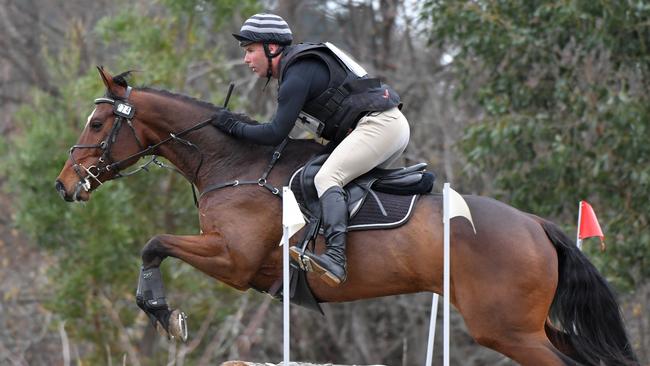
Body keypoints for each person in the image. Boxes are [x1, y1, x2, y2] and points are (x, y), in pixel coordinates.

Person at [214, 13, 410, 286]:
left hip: (381, 126)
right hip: (385, 126)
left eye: (250, 50)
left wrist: (231, 127)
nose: (246, 59)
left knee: (327, 178)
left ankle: (336, 259)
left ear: (272, 48)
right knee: (318, 172)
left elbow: (274, 133)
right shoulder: (299, 66)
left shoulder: (297, 72)